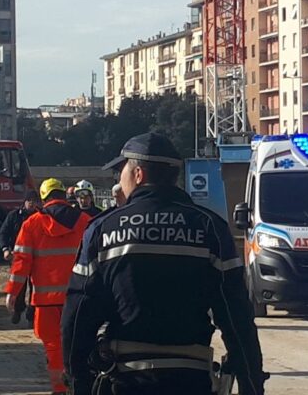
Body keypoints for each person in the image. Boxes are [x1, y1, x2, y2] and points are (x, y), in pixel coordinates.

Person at [62, 132, 266, 395]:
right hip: (191, 380)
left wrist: (78, 380)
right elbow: (237, 315)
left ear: (138, 174)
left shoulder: (103, 230)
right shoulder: (210, 228)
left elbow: (78, 316)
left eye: (121, 169)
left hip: (126, 381)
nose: (119, 177)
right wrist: (251, 384)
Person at [5, 178, 91, 395]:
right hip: (79, 299)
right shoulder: (85, 222)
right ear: (63, 196)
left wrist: (12, 294)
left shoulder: (32, 224)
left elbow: (21, 262)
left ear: (43, 199)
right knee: (81, 344)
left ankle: (59, 389)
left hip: (46, 303)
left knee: (53, 347)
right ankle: (82, 386)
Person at [0, 189, 41, 324]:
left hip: (37, 257)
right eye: (30, 201)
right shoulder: (14, 216)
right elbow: (3, 233)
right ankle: (17, 310)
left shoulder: (41, 216)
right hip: (19, 257)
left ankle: (31, 314)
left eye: (35, 201)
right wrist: (5, 249)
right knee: (19, 285)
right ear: (24, 202)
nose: (32, 204)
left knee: (35, 286)